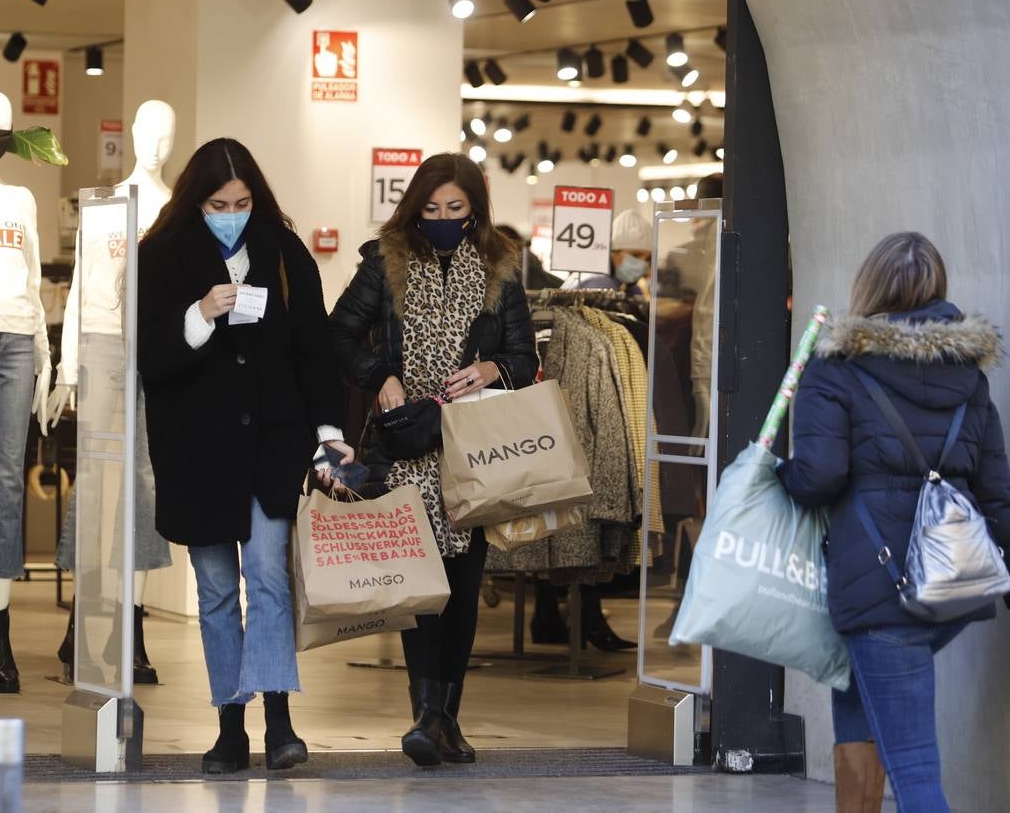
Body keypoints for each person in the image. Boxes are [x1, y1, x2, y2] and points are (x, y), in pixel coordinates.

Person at [778, 232, 1010, 813]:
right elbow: (1000, 496)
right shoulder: (970, 379)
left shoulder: (834, 368)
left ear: (870, 287)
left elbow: (819, 478)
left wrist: (771, 475)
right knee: (857, 714)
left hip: (881, 591)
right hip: (952, 587)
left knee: (913, 769)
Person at [137, 138, 350, 775]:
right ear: (194, 202)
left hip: (272, 442)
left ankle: (280, 720)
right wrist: (200, 315)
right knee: (214, 591)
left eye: (242, 201)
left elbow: (314, 346)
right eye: (218, 203)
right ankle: (230, 724)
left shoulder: (284, 251)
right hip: (196, 450)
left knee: (268, 579)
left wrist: (328, 429)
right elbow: (151, 357)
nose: (232, 211)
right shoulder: (163, 254)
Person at [329, 153, 538, 767]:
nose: (444, 219)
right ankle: (425, 716)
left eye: (456, 208)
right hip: (406, 445)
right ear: (414, 207)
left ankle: (446, 718)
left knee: (465, 589)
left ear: (475, 208)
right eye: (432, 209)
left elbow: (526, 359)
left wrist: (494, 367)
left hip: (474, 449)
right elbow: (336, 335)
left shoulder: (500, 267)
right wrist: (381, 374)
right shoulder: (384, 262)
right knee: (421, 586)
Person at [562, 207, 652, 293]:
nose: (643, 264)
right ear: (612, 252)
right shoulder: (600, 284)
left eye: (648, 258)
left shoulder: (620, 285)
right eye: (635, 255)